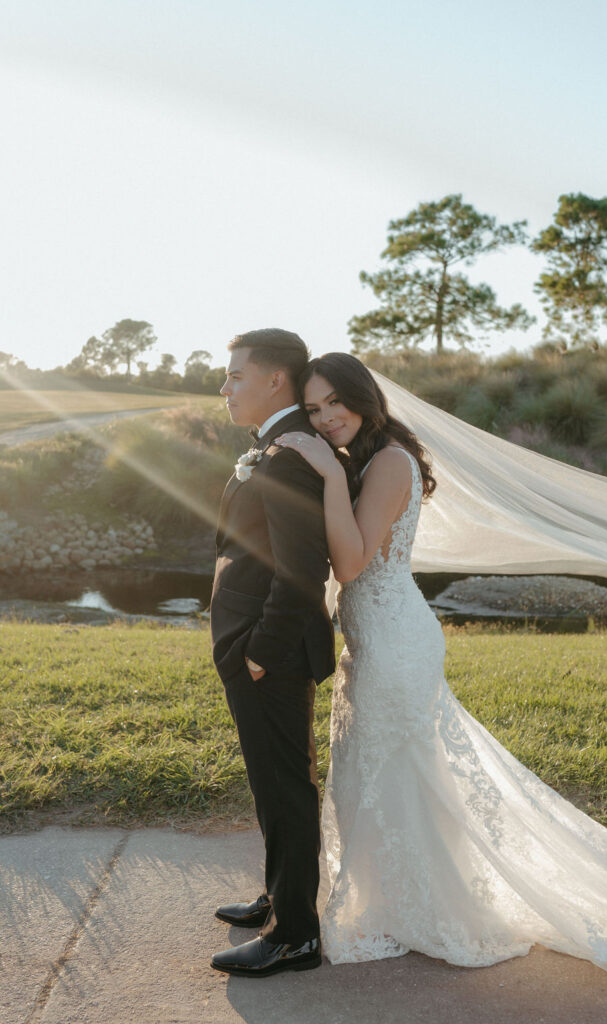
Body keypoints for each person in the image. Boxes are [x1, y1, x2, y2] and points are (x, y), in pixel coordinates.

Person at [275, 351, 607, 1000]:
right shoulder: (371, 458)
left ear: (363, 398)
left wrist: (324, 474)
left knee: (392, 770)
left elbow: (350, 563)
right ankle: (393, 898)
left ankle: (420, 907)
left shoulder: (384, 463)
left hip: (391, 642)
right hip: (378, 637)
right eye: (314, 409)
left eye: (335, 404)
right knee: (388, 772)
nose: (325, 419)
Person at [210, 329, 335, 978]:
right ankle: (275, 896)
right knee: (269, 784)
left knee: (286, 787)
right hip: (251, 648)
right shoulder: (272, 448)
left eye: (234, 375)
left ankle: (295, 935)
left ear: (275, 380)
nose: (224, 387)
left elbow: (301, 571)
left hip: (271, 656)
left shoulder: (287, 459)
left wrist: (259, 652)